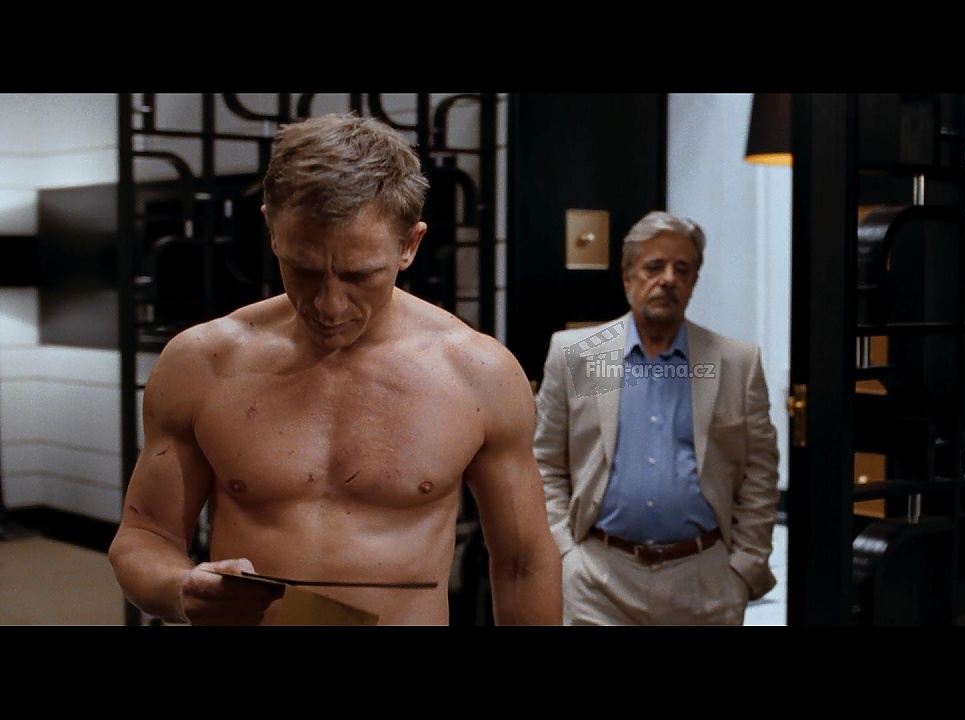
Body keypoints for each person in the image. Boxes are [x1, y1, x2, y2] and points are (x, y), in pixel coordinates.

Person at [108, 112, 562, 626]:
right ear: (272, 230)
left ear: (409, 245)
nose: (328, 305)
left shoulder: (478, 373)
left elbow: (523, 563)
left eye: (359, 276)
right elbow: (145, 536)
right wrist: (180, 589)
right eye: (303, 270)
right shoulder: (202, 363)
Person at [534, 210, 781, 625]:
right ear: (628, 276)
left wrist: (744, 565)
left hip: (705, 581)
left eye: (682, 270)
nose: (668, 279)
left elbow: (760, 469)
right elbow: (545, 461)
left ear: (694, 281)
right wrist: (564, 553)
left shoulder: (734, 363)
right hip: (598, 581)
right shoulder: (580, 355)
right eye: (654, 267)